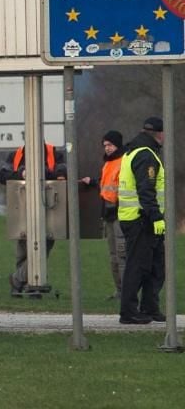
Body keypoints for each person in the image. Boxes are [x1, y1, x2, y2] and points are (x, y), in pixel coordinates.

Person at [0, 141, 67, 297]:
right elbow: (2, 176)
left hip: (50, 210)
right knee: (23, 251)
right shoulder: (16, 155)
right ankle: (28, 286)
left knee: (42, 248)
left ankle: (19, 280)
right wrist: (21, 174)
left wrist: (38, 173)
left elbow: (62, 174)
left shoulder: (54, 154)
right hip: (21, 209)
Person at [117, 117, 166, 325]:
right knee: (137, 266)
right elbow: (146, 190)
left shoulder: (136, 150)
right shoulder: (146, 155)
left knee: (155, 266)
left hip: (140, 218)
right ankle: (128, 312)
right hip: (141, 219)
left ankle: (149, 307)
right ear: (159, 134)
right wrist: (155, 217)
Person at [79, 130, 126, 301]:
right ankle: (120, 291)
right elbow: (105, 184)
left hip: (122, 214)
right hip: (109, 215)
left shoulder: (124, 161)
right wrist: (92, 182)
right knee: (113, 257)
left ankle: (127, 294)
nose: (107, 148)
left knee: (122, 256)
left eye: (110, 145)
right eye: (105, 145)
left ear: (118, 145)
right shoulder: (108, 163)